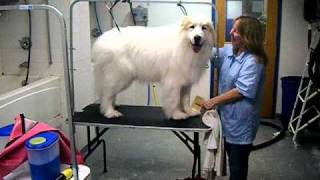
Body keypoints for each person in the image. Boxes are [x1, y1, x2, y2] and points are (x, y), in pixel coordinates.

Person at [201, 16, 267, 180]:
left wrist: (212, 101)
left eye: (236, 30)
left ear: (247, 36)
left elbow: (241, 91)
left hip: (241, 123)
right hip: (227, 120)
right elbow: (211, 53)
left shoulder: (253, 61)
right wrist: (201, 36)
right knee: (228, 158)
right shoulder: (230, 50)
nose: (231, 32)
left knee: (237, 167)